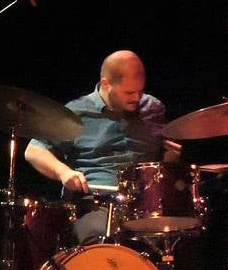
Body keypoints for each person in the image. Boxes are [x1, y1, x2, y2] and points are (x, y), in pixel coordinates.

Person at [24, 50, 181, 243]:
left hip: (144, 204)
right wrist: (64, 172)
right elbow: (34, 150)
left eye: (140, 91)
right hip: (95, 203)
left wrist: (170, 160)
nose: (137, 98)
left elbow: (160, 163)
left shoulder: (154, 108)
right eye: (129, 92)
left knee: (175, 236)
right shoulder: (76, 112)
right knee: (99, 239)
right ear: (107, 84)